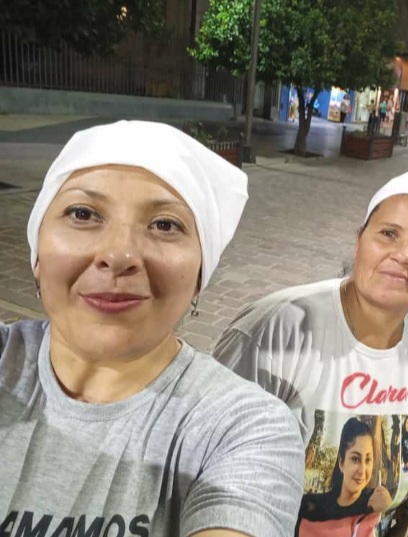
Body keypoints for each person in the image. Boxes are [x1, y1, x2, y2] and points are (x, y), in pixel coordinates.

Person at [0, 120, 305, 536]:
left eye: (165, 225)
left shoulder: (243, 429)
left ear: (200, 275)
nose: (118, 254)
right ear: (38, 253)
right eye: (83, 214)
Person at [213, 170, 408, 537]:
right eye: (388, 234)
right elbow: (205, 461)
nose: (402, 255)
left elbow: (406, 460)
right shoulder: (280, 328)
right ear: (360, 241)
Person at [297, 418, 388, 537]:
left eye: (368, 460)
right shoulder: (311, 506)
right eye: (355, 459)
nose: (362, 470)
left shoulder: (375, 502)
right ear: (341, 462)